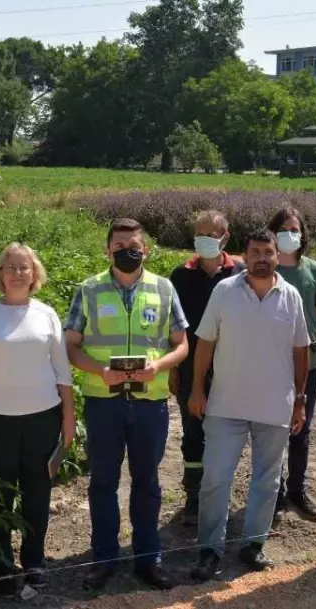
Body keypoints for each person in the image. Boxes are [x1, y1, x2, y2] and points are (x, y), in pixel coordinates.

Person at [65, 218, 190, 591]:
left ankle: (147, 559)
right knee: (103, 481)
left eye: (133, 245)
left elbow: (181, 344)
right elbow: (71, 345)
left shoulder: (164, 288)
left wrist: (159, 366)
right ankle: (104, 559)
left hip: (149, 402)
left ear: (146, 249)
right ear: (108, 251)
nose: (127, 251)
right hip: (104, 402)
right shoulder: (88, 290)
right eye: (119, 247)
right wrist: (99, 370)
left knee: (147, 482)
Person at [188, 229, 311, 580]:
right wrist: (197, 388)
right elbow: (205, 343)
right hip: (226, 405)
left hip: (275, 406)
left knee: (267, 480)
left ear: (276, 256)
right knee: (214, 478)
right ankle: (210, 550)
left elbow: (300, 350)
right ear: (245, 254)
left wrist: (300, 400)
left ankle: (253, 545)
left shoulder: (291, 296)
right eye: (255, 251)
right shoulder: (225, 291)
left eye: (268, 252)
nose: (262, 257)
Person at [0, 243, 76, 596]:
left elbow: (62, 369)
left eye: (24, 267)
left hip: (43, 418)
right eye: (10, 266)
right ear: (0, 274)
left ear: (35, 273)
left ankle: (35, 562)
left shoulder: (46, 314)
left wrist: (68, 417)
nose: (17, 272)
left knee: (37, 492)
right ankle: (2, 568)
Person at [168, 210, 245, 526]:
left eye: (210, 235)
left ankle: (220, 493)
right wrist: (174, 368)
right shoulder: (180, 276)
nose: (203, 240)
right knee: (193, 432)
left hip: (232, 368)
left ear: (225, 237)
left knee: (226, 433)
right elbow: (173, 327)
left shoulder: (240, 273)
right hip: (190, 370)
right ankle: (194, 495)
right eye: (198, 234)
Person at [268, 207, 316, 524]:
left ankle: (297, 490)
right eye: (282, 229)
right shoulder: (266, 269)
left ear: (303, 234)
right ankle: (275, 494)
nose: (289, 235)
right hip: (272, 360)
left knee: (300, 429)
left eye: (294, 229)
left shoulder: (315, 271)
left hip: (310, 362)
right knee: (274, 427)